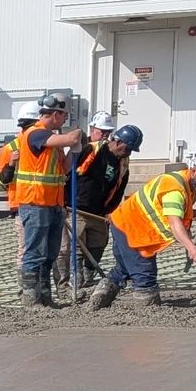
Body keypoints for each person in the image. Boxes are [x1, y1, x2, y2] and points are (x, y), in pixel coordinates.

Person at [88, 152, 196, 309]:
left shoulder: (186, 185)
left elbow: (182, 223)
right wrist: (190, 247)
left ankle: (99, 297)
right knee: (145, 276)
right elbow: (175, 222)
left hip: (125, 224)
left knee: (125, 268)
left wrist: (189, 244)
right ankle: (147, 311)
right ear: (195, 168)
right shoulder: (175, 190)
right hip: (133, 230)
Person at [7, 92, 85, 306]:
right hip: (35, 203)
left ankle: (45, 297)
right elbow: (70, 137)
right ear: (56, 114)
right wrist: (77, 135)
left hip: (53, 204)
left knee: (49, 254)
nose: (65, 120)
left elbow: (65, 168)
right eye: (64, 115)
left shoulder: (52, 142)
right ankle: (31, 300)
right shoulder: (36, 134)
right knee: (34, 252)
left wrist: (75, 152)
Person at [69, 114, 135, 287]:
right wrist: (64, 201)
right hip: (78, 208)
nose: (127, 153)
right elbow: (70, 174)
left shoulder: (123, 164)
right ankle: (74, 280)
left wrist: (111, 210)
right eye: (127, 148)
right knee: (76, 246)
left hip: (99, 212)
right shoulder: (91, 150)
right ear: (119, 142)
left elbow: (119, 189)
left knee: (98, 244)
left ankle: (88, 275)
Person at [0, 101, 41, 197]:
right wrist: (11, 164)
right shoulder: (9, 149)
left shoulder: (47, 145)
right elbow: (0, 180)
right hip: (20, 203)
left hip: (42, 201)